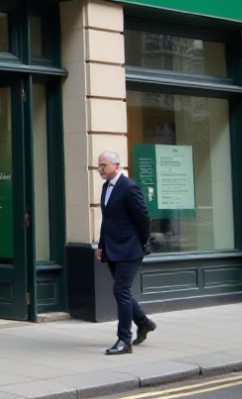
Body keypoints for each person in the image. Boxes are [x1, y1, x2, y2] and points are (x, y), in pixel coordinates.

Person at [96, 151, 155, 355]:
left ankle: (124, 340)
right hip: (112, 249)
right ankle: (143, 322)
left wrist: (141, 242)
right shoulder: (106, 187)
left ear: (116, 166)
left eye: (103, 165)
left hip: (130, 249)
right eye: (99, 166)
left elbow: (143, 218)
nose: (100, 169)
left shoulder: (129, 187)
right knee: (122, 291)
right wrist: (101, 245)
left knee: (120, 290)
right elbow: (106, 220)